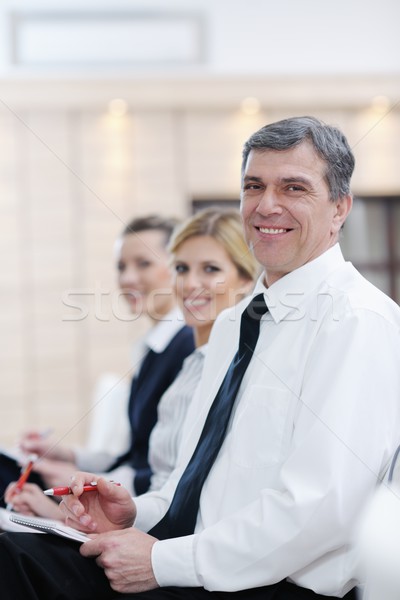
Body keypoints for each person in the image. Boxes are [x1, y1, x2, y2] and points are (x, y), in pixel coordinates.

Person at [1, 116, 400, 600]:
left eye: (294, 187)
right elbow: (195, 479)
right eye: (254, 186)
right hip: (195, 560)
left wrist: (160, 560)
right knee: (11, 552)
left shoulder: (358, 321)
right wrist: (135, 514)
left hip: (271, 586)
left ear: (340, 208)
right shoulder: (235, 324)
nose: (267, 204)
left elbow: (322, 508)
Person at [4, 208, 257, 517]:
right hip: (134, 509)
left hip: (142, 516)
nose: (127, 278)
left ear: (244, 280)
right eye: (182, 268)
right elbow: (143, 456)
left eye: (144, 263)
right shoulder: (184, 355)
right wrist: (72, 462)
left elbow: (165, 480)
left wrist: (73, 503)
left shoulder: (195, 354)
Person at [0, 215, 195, 505]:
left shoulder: (186, 346)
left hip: (140, 506)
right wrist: (67, 456)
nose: (127, 278)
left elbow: (166, 468)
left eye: (143, 263)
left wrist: (84, 477)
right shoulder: (153, 347)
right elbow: (136, 453)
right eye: (121, 266)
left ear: (178, 268)